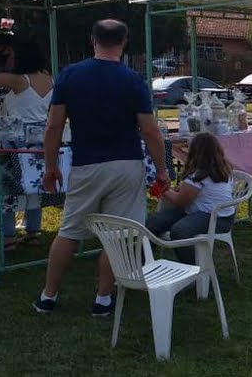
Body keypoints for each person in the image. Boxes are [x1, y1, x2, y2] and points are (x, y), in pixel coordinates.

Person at [35, 19, 169, 316]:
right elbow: (150, 131)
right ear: (124, 43)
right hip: (126, 163)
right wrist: (162, 171)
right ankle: (103, 299)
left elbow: (54, 126)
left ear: (92, 40)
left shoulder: (69, 75)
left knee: (69, 231)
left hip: (86, 163)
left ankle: (48, 296)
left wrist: (50, 167)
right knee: (119, 233)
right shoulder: (133, 79)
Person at [0, 40, 53, 250]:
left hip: (16, 140)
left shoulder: (19, 80)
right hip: (41, 138)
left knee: (6, 187)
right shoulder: (49, 78)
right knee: (35, 185)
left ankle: (8, 237)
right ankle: (33, 231)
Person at [146, 133, 234, 265]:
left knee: (179, 231)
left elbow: (180, 202)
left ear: (195, 152)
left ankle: (196, 270)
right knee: (152, 223)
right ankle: (146, 263)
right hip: (202, 211)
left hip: (217, 218)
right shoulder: (218, 169)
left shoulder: (199, 175)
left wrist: (161, 189)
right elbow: (189, 194)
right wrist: (178, 189)